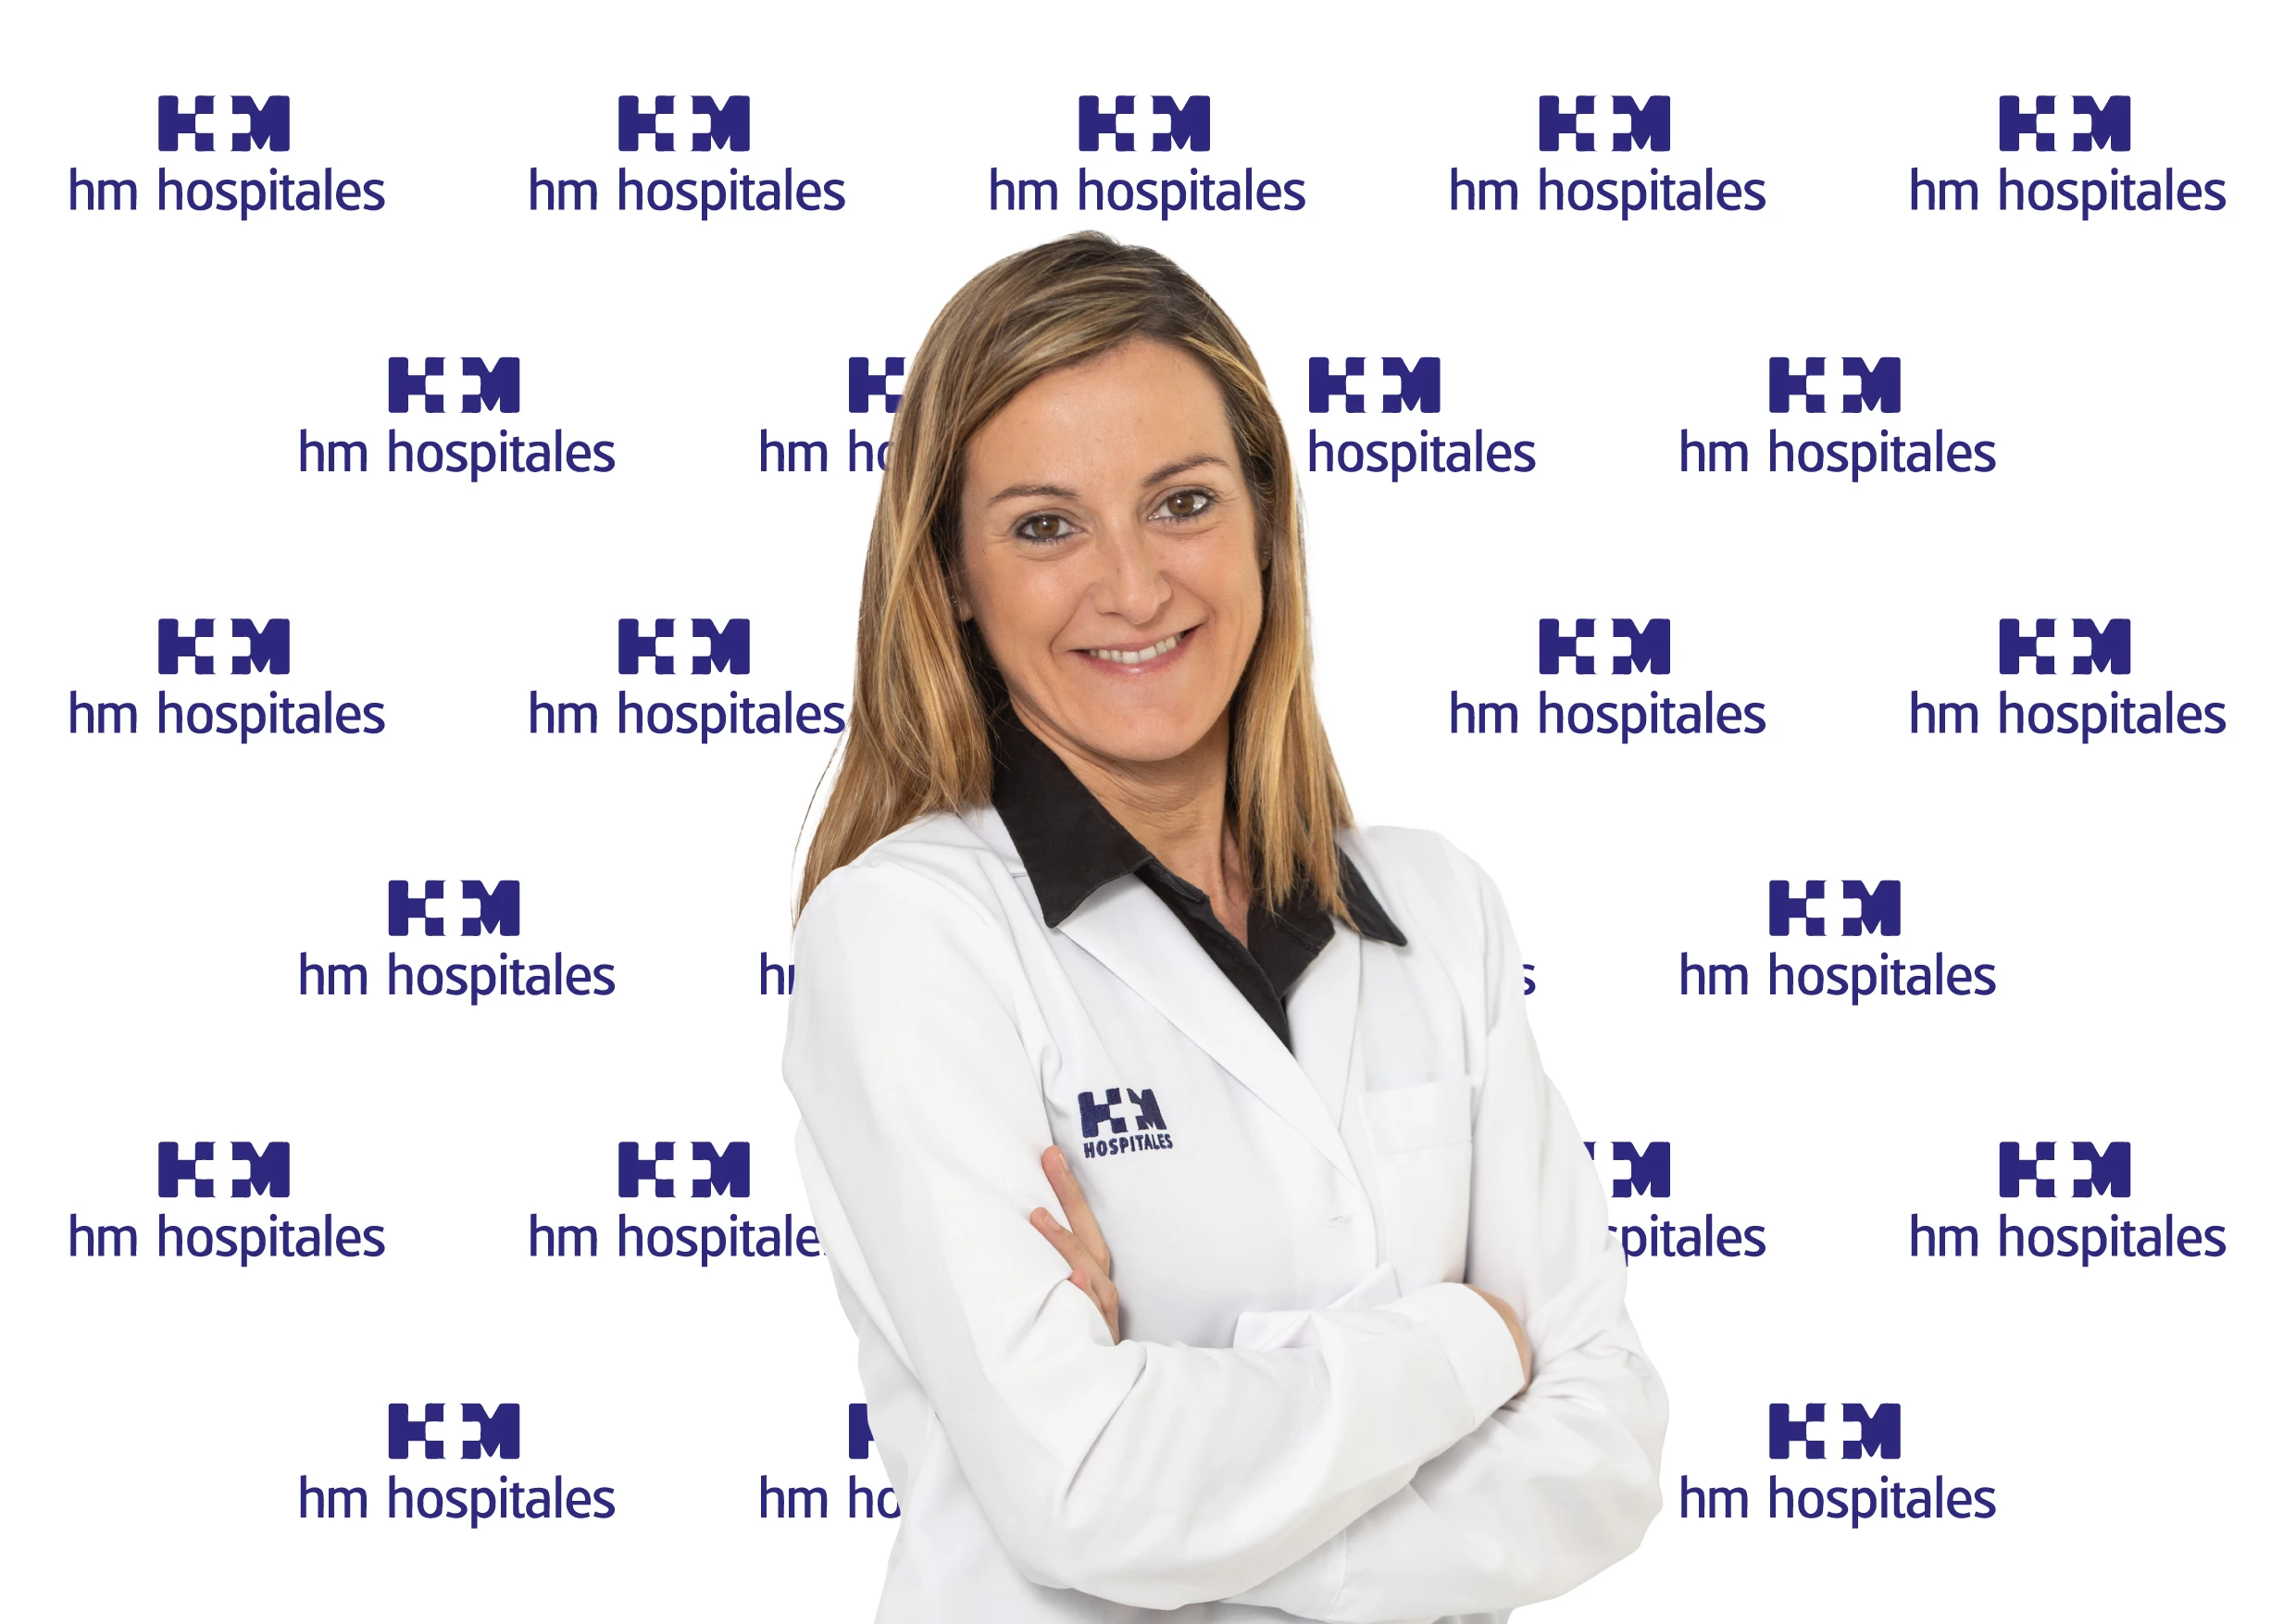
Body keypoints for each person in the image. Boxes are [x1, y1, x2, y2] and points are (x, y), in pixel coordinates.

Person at [783, 232, 1665, 1622]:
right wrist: (1468, 1342)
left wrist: (1195, 1514)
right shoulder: (907, 936)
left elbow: (1604, 1450)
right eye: (1045, 525)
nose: (1134, 588)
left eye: (1182, 502)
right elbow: (1085, 1487)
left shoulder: (1441, 912)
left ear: (1265, 518)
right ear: (949, 572)